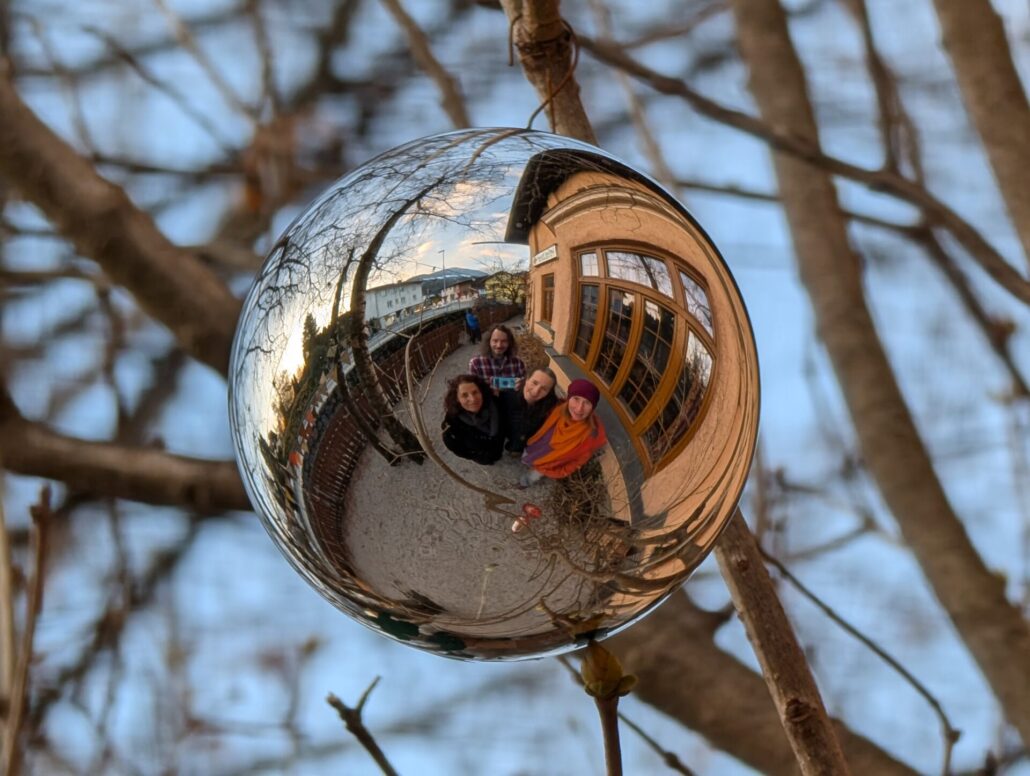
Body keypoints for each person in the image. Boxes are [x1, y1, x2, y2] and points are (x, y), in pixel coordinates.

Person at [514, 378, 607, 531]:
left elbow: (578, 461)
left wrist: (560, 472)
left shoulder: (589, 436)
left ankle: (523, 483)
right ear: (569, 398)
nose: (579, 408)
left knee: (532, 476)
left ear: (593, 407)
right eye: (576, 399)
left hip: (549, 465)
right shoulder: (557, 409)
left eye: (587, 403)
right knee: (526, 458)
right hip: (536, 449)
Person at [440, 374, 505, 465]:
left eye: (475, 392)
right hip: (482, 457)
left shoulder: (496, 404)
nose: (473, 399)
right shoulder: (451, 423)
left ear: (481, 392)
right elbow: (455, 447)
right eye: (465, 395)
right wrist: (475, 456)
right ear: (457, 399)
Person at [500, 367, 560, 455]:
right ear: (527, 379)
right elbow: (485, 384)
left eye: (544, 389)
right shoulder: (509, 388)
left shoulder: (550, 405)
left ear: (548, 393)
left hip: (525, 441)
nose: (536, 391)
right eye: (534, 383)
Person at [468, 324, 526, 395]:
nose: (499, 345)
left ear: (509, 343)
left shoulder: (518, 363)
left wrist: (521, 384)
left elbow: (525, 385)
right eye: (495, 341)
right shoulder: (476, 363)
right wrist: (488, 389)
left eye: (504, 341)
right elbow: (472, 390)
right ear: (489, 341)